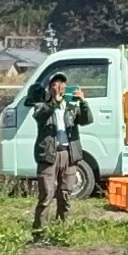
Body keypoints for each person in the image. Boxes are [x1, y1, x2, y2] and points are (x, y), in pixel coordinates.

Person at [32, 71, 93, 238]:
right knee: (46, 194)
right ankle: (39, 231)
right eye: (56, 84)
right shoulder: (41, 105)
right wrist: (54, 103)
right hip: (49, 155)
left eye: (62, 84)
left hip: (68, 153)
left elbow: (87, 120)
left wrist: (83, 102)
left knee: (65, 193)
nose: (60, 87)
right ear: (50, 88)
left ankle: (62, 229)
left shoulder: (72, 107)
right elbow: (40, 116)